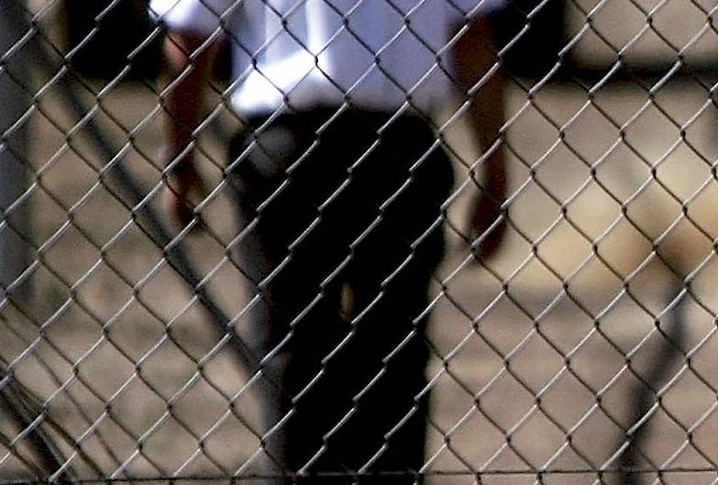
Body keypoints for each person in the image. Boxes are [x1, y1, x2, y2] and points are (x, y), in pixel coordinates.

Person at [149, 0, 509, 482]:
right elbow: (472, 36)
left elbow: (190, 36)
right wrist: (494, 171)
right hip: (397, 152)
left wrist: (179, 156)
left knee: (291, 358)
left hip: (284, 149)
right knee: (393, 354)